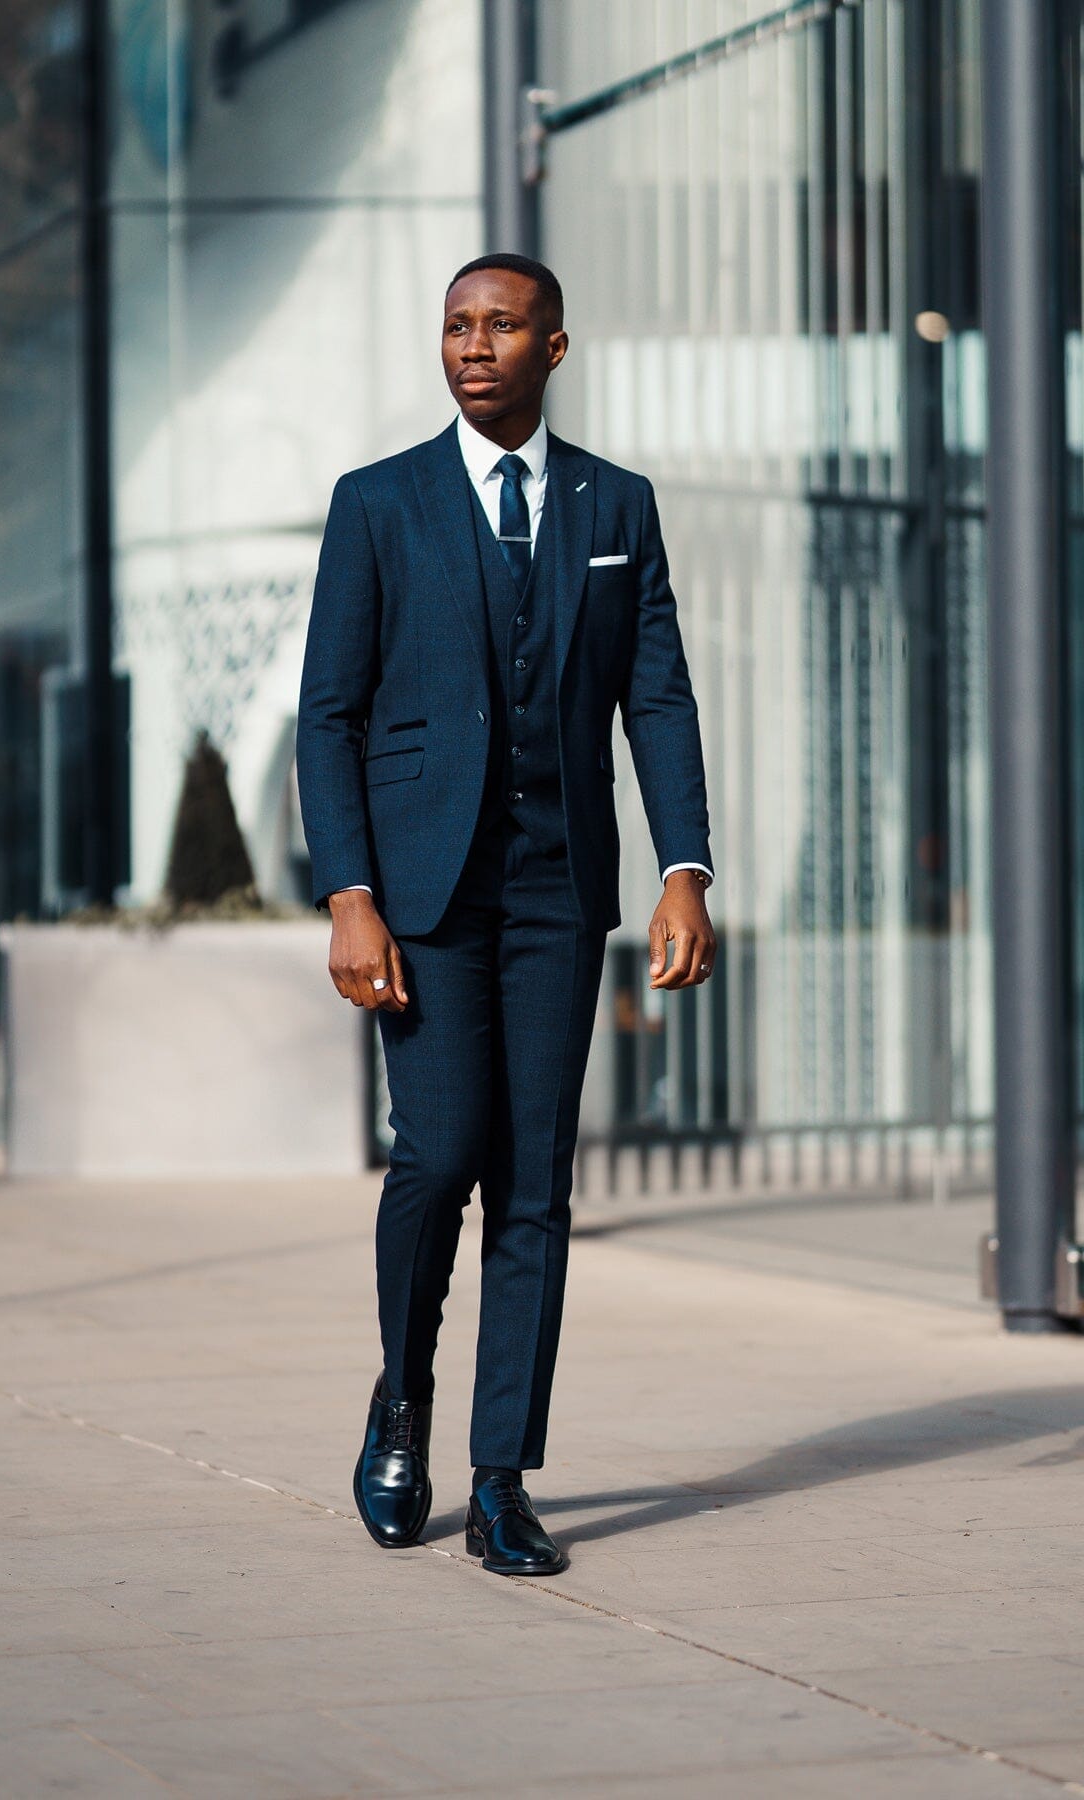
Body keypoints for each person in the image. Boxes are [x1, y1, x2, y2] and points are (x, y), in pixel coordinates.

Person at [296, 253, 715, 1576]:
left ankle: (499, 1477)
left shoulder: (617, 504)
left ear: (555, 346)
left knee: (536, 1181)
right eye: (456, 326)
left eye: (501, 327)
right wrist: (350, 893)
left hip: (555, 886)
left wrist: (685, 868)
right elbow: (331, 716)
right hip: (419, 893)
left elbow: (658, 695)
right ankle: (403, 1401)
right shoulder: (378, 505)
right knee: (438, 1156)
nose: (474, 347)